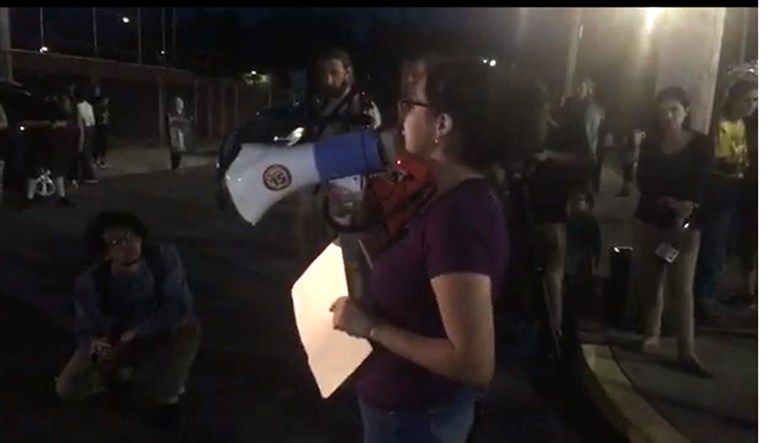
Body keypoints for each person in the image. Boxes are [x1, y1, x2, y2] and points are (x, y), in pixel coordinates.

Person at [329, 59, 511, 443]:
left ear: (441, 125)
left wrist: (372, 327)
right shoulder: (441, 194)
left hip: (415, 421)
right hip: (406, 412)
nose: (401, 114)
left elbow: (475, 362)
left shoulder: (461, 213)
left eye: (410, 104)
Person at [55, 212, 200, 427]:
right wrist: (94, 345)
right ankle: (119, 375)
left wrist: (139, 332)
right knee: (68, 389)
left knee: (187, 327)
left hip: (157, 329)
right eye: (115, 242)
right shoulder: (90, 282)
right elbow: (86, 328)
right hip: (117, 337)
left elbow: (178, 304)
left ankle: (168, 397)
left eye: (129, 236)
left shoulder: (163, 256)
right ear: (106, 254)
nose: (126, 244)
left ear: (140, 237)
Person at [634, 86, 714, 377]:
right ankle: (650, 333)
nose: (668, 117)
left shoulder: (702, 144)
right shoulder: (651, 144)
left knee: (682, 286)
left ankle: (686, 349)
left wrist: (688, 204)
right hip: (653, 219)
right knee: (652, 277)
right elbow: (644, 179)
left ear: (686, 111)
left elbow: (705, 181)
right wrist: (665, 200)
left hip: (686, 225)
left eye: (674, 111)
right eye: (663, 111)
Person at [296, 47, 381, 301]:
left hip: (346, 190)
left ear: (348, 73)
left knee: (347, 256)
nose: (329, 80)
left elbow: (368, 149)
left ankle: (354, 310)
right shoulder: (318, 104)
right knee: (310, 252)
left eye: (334, 73)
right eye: (325, 74)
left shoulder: (363, 106)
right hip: (314, 189)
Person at [527, 82, 593, 344]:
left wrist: (549, 156)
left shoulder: (571, 127)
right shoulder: (527, 128)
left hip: (557, 204)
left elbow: (586, 160)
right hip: (530, 202)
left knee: (555, 270)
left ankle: (556, 332)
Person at [693, 79, 758, 321]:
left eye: (756, 100)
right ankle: (702, 301)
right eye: (748, 100)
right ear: (733, 99)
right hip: (719, 193)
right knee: (713, 248)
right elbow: (722, 161)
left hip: (734, 192)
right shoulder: (722, 123)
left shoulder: (741, 123)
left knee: (723, 250)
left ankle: (707, 297)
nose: (752, 105)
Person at [74, 85, 98, 185]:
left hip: (83, 127)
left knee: (83, 152)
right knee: (87, 151)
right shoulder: (89, 106)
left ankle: (88, 175)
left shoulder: (78, 106)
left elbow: (80, 120)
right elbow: (92, 121)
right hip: (90, 128)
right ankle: (87, 174)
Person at [166, 96, 192, 171]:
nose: (181, 104)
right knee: (175, 150)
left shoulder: (183, 112)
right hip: (175, 133)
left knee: (180, 150)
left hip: (181, 134)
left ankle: (177, 166)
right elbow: (171, 121)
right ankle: (174, 167)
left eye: (181, 103)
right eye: (179, 103)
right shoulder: (172, 112)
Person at [93, 94, 110, 169]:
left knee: (104, 144)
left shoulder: (105, 109)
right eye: (105, 101)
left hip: (104, 127)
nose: (106, 102)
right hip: (99, 128)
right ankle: (96, 160)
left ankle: (103, 160)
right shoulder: (97, 108)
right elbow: (97, 117)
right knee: (98, 144)